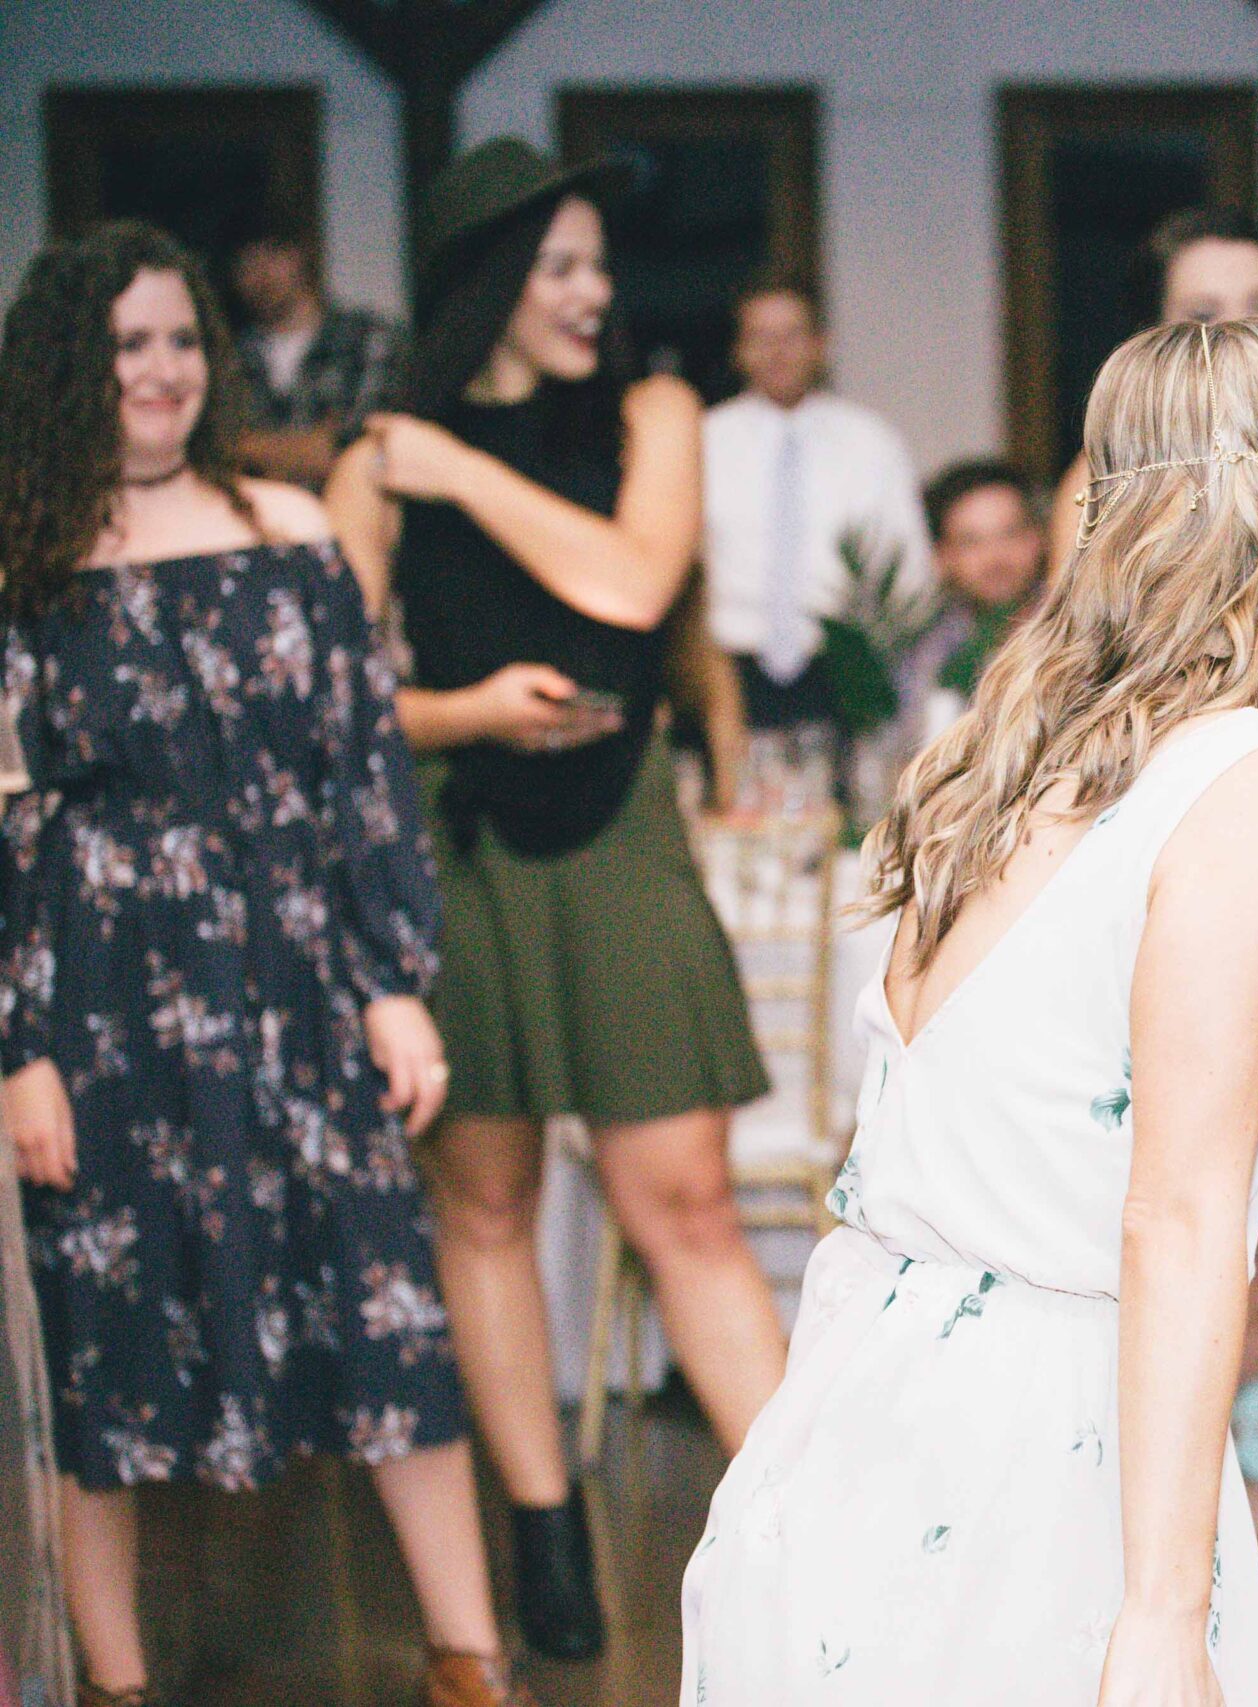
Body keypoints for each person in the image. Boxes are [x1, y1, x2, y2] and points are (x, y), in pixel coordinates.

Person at [679, 314, 1258, 1705]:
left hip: (851, 1414)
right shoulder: (1257, 786)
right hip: (1048, 1466)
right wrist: (1161, 1614)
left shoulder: (990, 746)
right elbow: (1176, 1216)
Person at [0, 223, 531, 1707]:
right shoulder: (24, 562)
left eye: (183, 339)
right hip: (101, 1000)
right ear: (69, 365)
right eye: (128, 344)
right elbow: (7, 821)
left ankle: (470, 1662)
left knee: (386, 1312)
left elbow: (360, 765)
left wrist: (393, 978)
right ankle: (115, 1685)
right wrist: (18, 1049)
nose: (163, 370)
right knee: (103, 1355)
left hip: (298, 977)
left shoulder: (290, 527)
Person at [324, 139, 785, 1660]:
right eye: (560, 266)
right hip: (455, 844)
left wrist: (461, 471)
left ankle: (816, 1524)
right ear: (489, 283)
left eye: (599, 264)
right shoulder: (374, 461)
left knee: (687, 1202)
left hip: (622, 834)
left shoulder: (652, 412)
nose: (594, 292)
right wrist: (464, 713)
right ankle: (543, 1536)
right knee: (485, 1203)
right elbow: (332, 704)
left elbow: (633, 585)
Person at [1055, 206, 1258, 1616]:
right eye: (1203, 308)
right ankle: (1142, 1514)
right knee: (1154, 1191)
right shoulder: (1100, 486)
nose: (1238, 328)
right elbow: (1067, 680)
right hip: (1138, 873)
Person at [700, 278, 935, 734]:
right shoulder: (704, 440)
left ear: (820, 344)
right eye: (761, 337)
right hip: (726, 670)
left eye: (792, 335)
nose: (777, 351)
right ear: (739, 351)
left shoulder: (871, 441)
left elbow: (909, 564)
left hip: (843, 668)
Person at [230, 225, 407, 490]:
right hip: (262, 511)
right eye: (246, 264)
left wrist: (250, 446)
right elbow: (217, 455)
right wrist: (308, 446)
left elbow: (354, 453)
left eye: (273, 254)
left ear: (301, 255)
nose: (262, 274)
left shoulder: (366, 338)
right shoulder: (230, 357)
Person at [894, 458, 1046, 756]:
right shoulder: (930, 651)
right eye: (971, 542)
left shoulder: (1081, 629)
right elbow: (912, 751)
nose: (996, 557)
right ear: (942, 557)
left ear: (1038, 538)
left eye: (1010, 533)